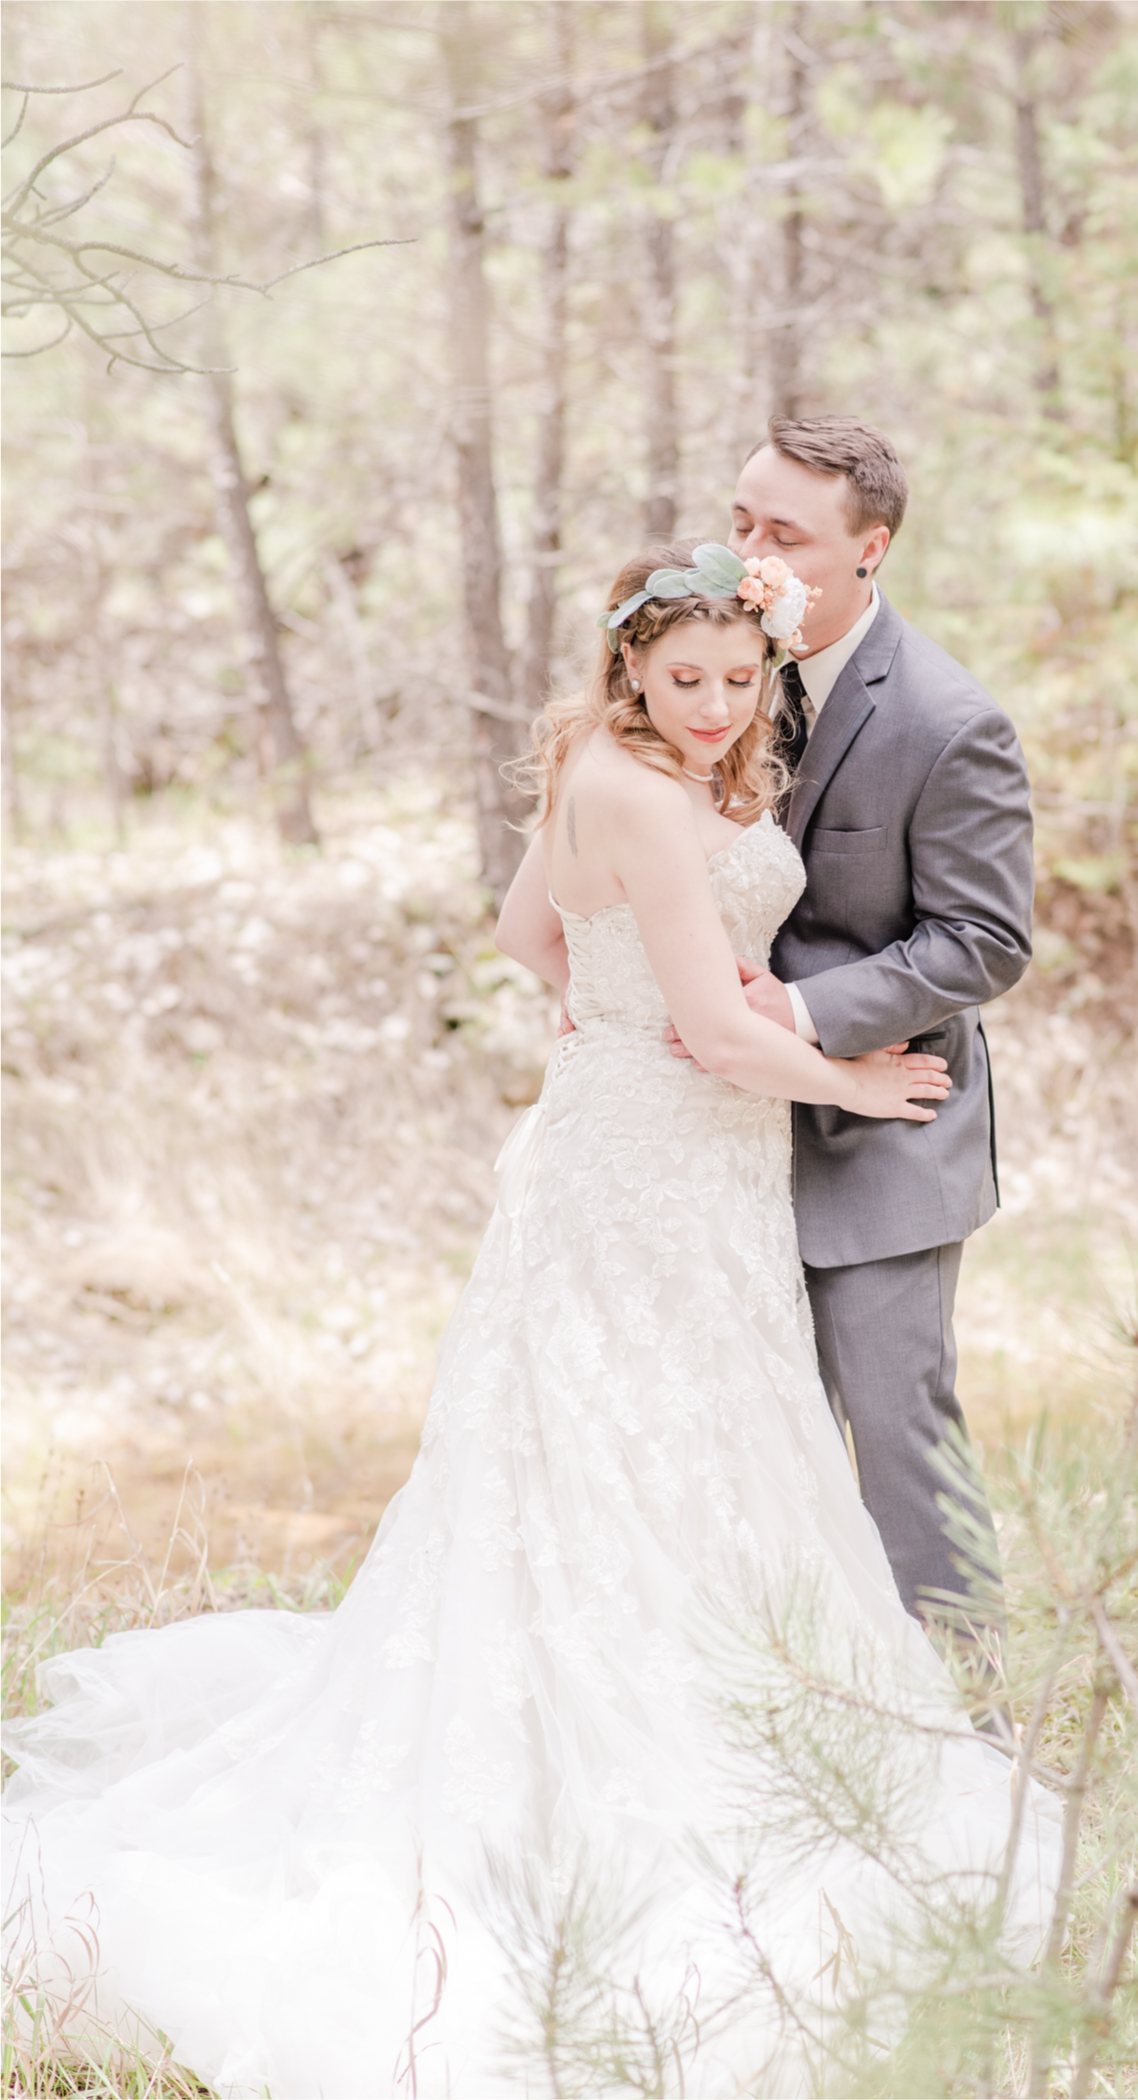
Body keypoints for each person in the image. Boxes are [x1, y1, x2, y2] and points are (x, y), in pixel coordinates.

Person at [4, 538, 1058, 2100]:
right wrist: (851, 1079)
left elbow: (523, 933)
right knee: (604, 1440)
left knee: (704, 1438)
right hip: (649, 1156)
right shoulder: (630, 787)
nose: (711, 707)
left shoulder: (635, 770)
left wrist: (596, 1004)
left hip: (673, 1159)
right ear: (625, 666)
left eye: (734, 679)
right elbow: (710, 1027)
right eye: (680, 677)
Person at [671, 418, 1033, 1644]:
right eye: (739, 521)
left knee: (896, 1434)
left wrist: (808, 1013)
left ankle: (966, 1723)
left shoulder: (948, 720)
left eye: (784, 534)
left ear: (869, 549)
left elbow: (984, 941)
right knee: (736, 1435)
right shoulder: (712, 673)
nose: (746, 554)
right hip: (713, 1129)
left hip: (885, 1131)